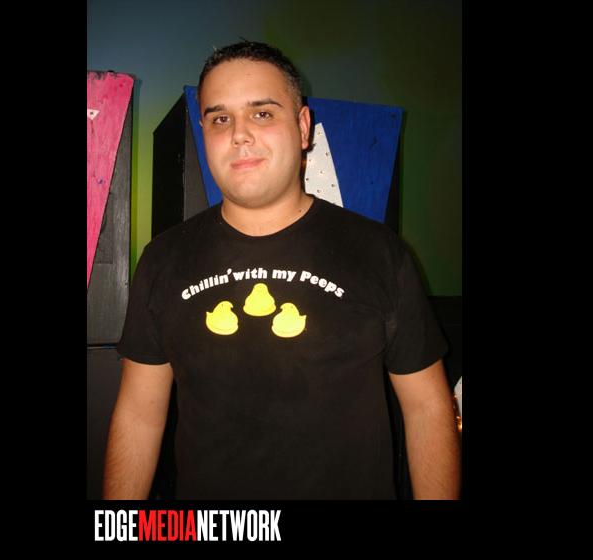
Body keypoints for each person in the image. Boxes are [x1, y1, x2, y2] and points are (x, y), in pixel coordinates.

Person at [103, 41, 461, 500]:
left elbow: (428, 407)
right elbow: (138, 415)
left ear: (303, 127)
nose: (240, 135)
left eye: (262, 113)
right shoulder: (162, 259)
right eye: (220, 119)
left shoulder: (378, 252)